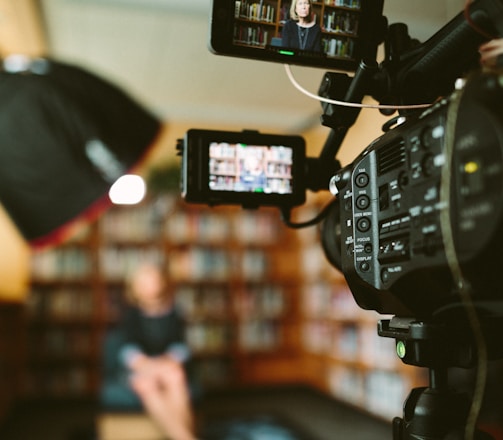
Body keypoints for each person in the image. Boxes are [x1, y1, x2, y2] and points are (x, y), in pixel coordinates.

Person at [100, 262, 197, 440]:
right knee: (146, 384)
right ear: (134, 288)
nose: (148, 287)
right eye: (143, 283)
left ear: (161, 282)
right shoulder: (130, 314)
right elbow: (127, 349)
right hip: (141, 367)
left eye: (152, 281)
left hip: (167, 365)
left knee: (175, 377)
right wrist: (147, 365)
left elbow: (181, 347)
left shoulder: (174, 312)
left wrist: (166, 362)